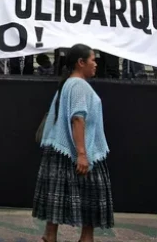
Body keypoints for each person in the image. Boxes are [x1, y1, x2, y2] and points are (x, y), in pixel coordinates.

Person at [33, 44, 114, 242]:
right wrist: (82, 154)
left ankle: (50, 237)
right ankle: (85, 239)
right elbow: (77, 118)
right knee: (92, 198)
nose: (96, 64)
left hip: (61, 151)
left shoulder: (68, 83)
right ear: (81, 62)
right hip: (79, 151)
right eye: (93, 59)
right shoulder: (77, 85)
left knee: (57, 198)